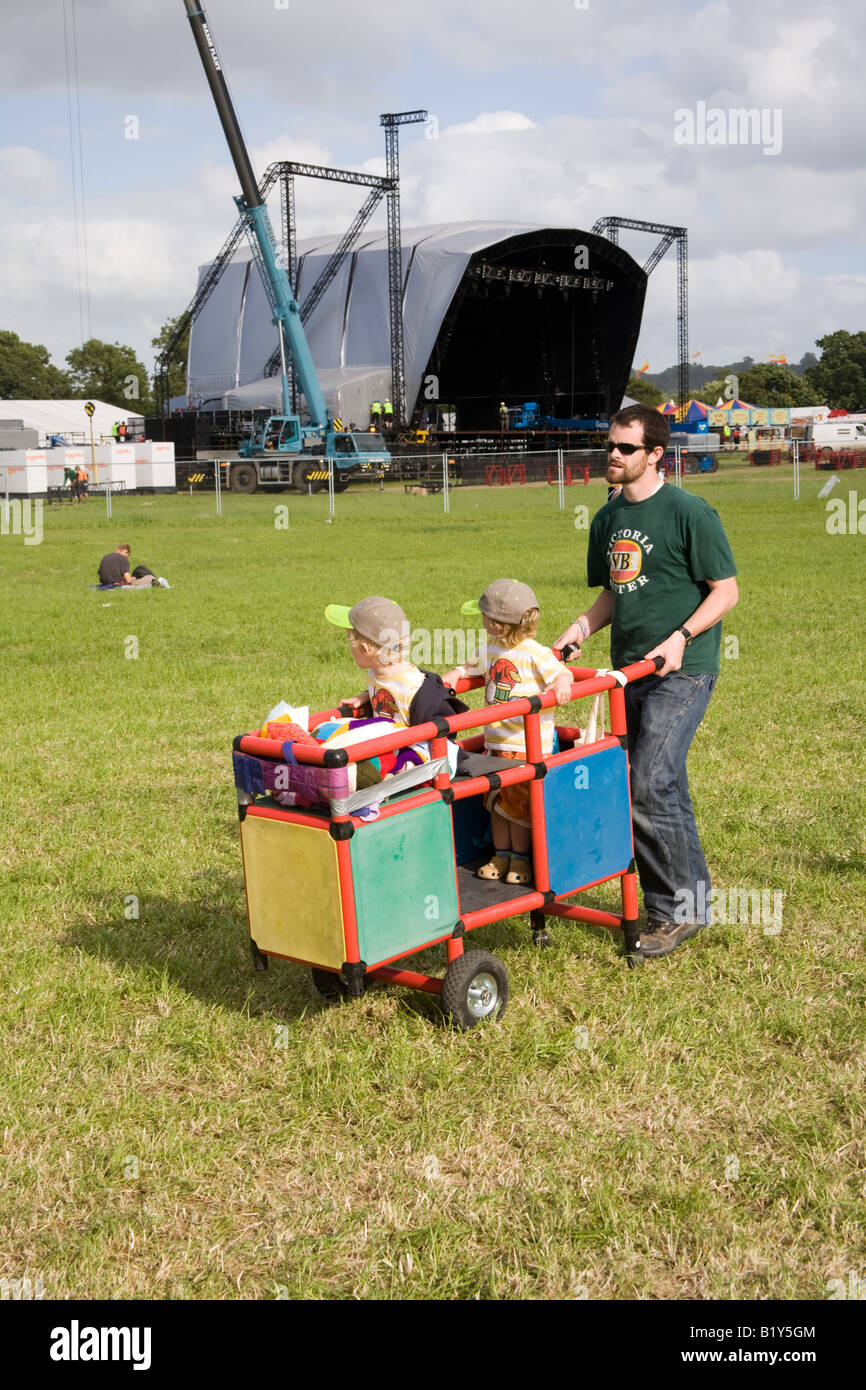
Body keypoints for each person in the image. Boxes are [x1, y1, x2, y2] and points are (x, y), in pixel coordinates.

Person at [555, 403, 738, 958]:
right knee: (657, 784)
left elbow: (725, 590)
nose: (613, 454)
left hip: (684, 669)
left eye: (626, 448)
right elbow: (614, 592)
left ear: (656, 454)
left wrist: (681, 637)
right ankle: (693, 902)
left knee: (649, 783)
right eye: (610, 444)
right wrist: (577, 631)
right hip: (627, 670)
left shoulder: (691, 513)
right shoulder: (607, 518)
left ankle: (670, 912)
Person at [443, 579, 572, 887]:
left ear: (498, 624)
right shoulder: (490, 648)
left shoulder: (533, 653)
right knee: (497, 808)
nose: (483, 622)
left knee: (519, 811)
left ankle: (521, 859)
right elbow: (470, 666)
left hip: (526, 747)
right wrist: (457, 673)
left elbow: (560, 671)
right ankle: (501, 855)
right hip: (496, 745)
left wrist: (562, 683)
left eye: (485, 617)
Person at [325, 596, 424, 727]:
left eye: (350, 643)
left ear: (364, 649)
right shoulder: (378, 673)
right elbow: (388, 689)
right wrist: (365, 696)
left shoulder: (412, 689)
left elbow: (434, 735)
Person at [97, 544, 166, 587]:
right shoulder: (123, 558)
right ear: (126, 551)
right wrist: (134, 578)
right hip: (117, 584)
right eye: (128, 556)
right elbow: (128, 580)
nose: (127, 558)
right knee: (150, 578)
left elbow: (101, 573)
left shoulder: (106, 557)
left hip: (105, 583)